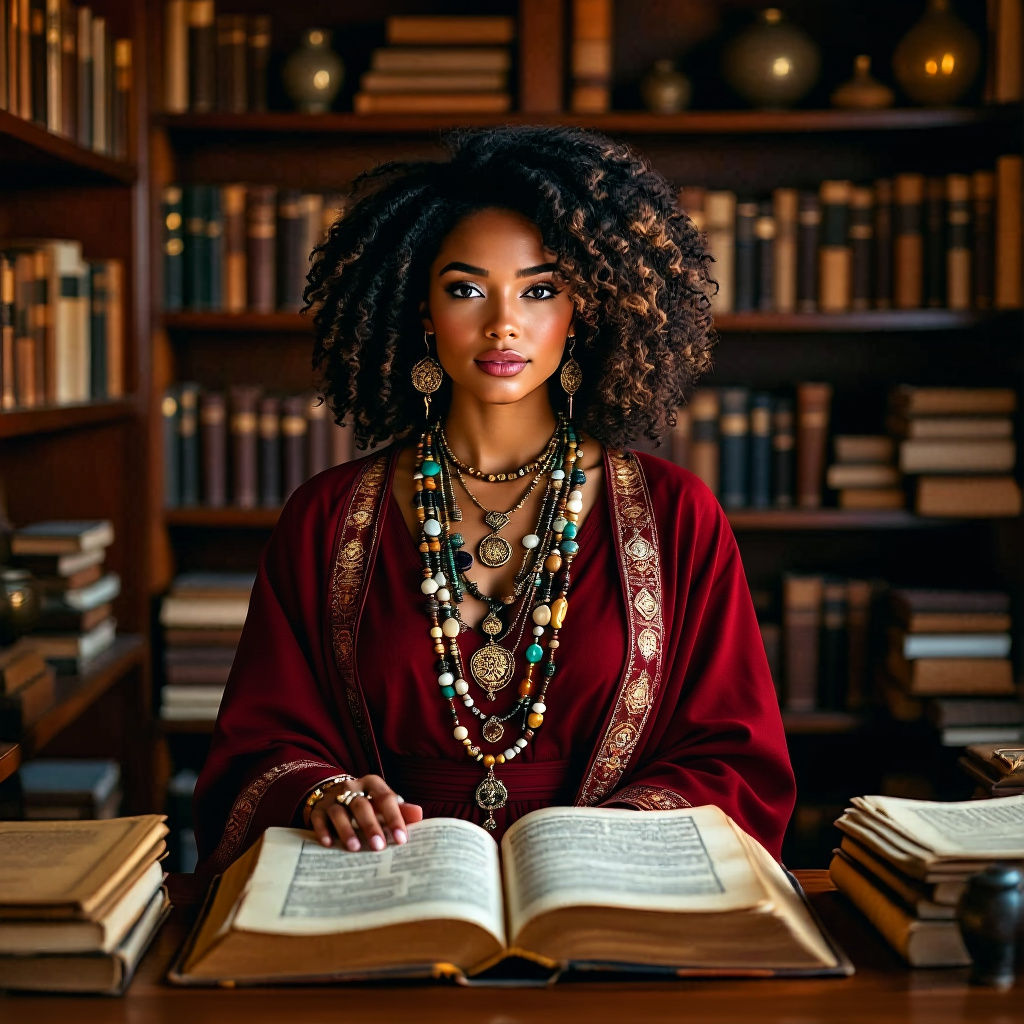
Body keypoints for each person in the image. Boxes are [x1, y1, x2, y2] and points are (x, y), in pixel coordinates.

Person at [193, 125, 795, 875]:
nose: (503, 322)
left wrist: (601, 842)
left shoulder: (677, 517)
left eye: (540, 290)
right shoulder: (326, 517)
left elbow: (735, 760)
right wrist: (322, 795)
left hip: (610, 889)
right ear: (421, 308)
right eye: (466, 289)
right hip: (385, 883)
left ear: (585, 310)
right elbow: (258, 745)